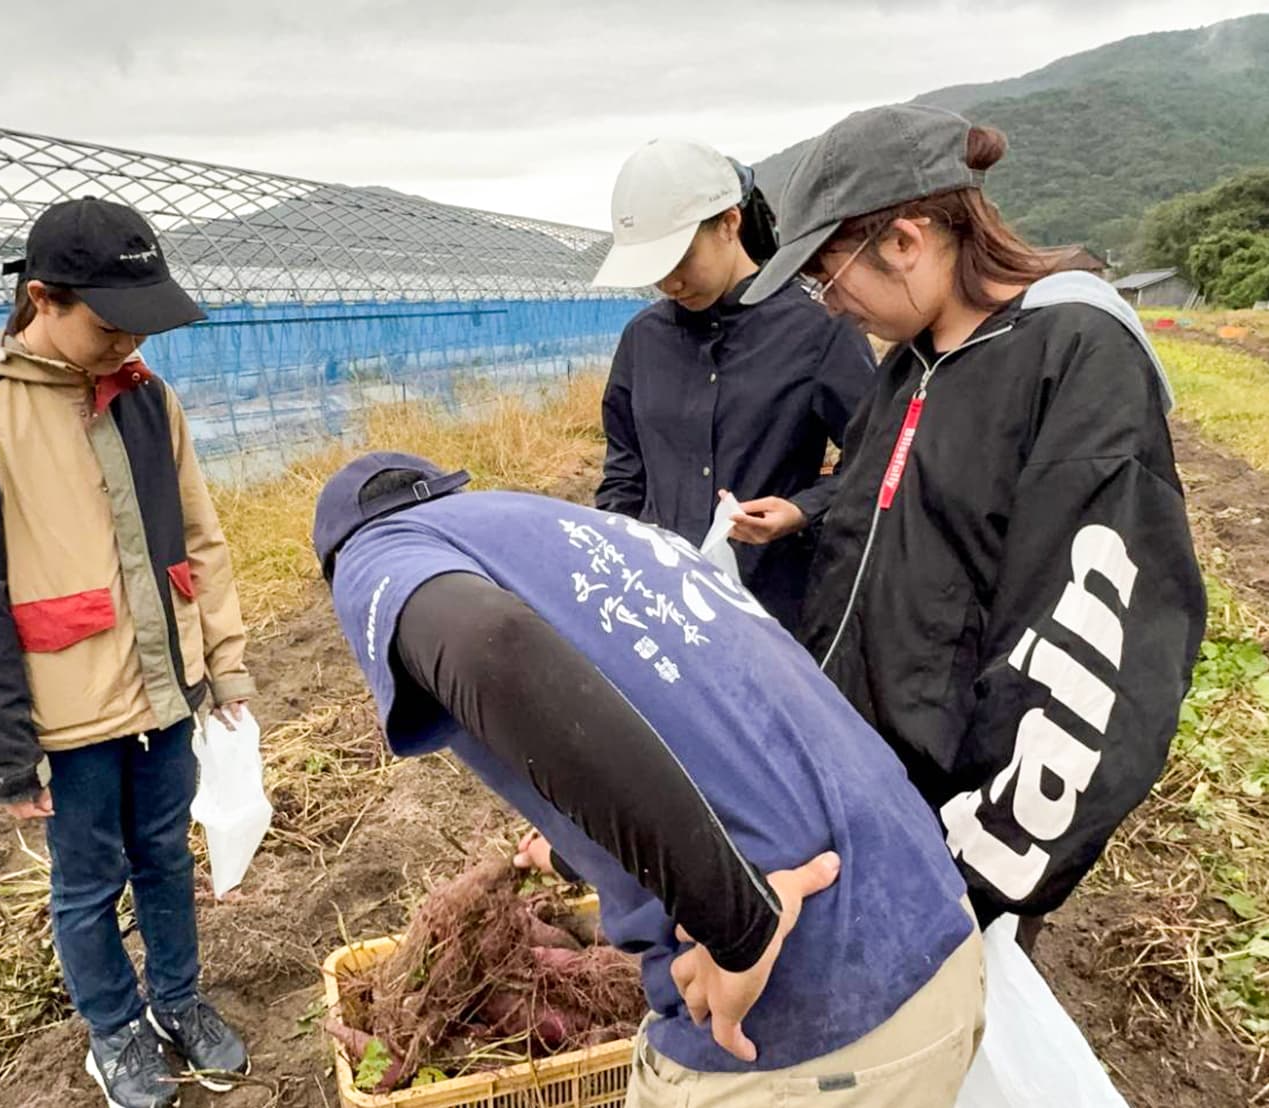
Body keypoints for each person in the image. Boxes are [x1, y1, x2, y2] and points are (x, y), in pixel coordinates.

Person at [314, 452, 985, 1107]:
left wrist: (740, 925)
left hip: (808, 1012)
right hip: (927, 923)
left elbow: (491, 646)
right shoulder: (567, 530)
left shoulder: (375, 551)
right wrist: (576, 849)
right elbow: (704, 726)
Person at [733, 104, 1206, 940]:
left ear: (905, 241)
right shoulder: (909, 366)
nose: (828, 304)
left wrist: (962, 884)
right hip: (862, 803)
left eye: (826, 275)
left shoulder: (1071, 359)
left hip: (952, 848)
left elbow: (1097, 658)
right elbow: (892, 524)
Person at [0, 197, 252, 1108]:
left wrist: (223, 662)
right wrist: (6, 750)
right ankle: (115, 1033)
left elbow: (198, 536)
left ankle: (178, 1000)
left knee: (165, 855)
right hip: (67, 711)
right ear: (41, 300)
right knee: (89, 881)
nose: (125, 345)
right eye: (108, 325)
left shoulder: (147, 398)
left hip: (165, 689)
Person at [590, 139, 874, 625]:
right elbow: (624, 468)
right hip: (663, 603)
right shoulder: (644, 340)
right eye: (657, 271)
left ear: (729, 224)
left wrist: (803, 510)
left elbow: (876, 454)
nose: (670, 283)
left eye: (681, 260)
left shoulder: (817, 329)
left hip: (777, 605)